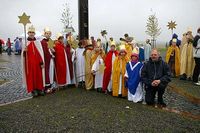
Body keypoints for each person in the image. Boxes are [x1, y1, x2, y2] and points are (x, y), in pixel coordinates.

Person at [22, 25, 45, 97]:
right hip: (29, 64)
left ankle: (39, 89)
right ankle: (33, 90)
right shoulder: (25, 43)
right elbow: (23, 55)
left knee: (38, 76)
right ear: (28, 33)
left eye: (32, 32)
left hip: (37, 64)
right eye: (30, 32)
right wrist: (24, 51)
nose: (31, 34)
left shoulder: (37, 42)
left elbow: (40, 53)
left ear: (34, 33)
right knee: (31, 77)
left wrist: (41, 62)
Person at [40, 27, 56, 93]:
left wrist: (53, 51)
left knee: (51, 71)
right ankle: (46, 86)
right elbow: (43, 52)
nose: (48, 35)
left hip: (51, 60)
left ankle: (51, 85)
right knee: (47, 72)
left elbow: (54, 50)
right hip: (46, 60)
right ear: (44, 34)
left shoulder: (51, 41)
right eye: (47, 33)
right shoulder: (42, 42)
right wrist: (50, 54)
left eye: (49, 33)